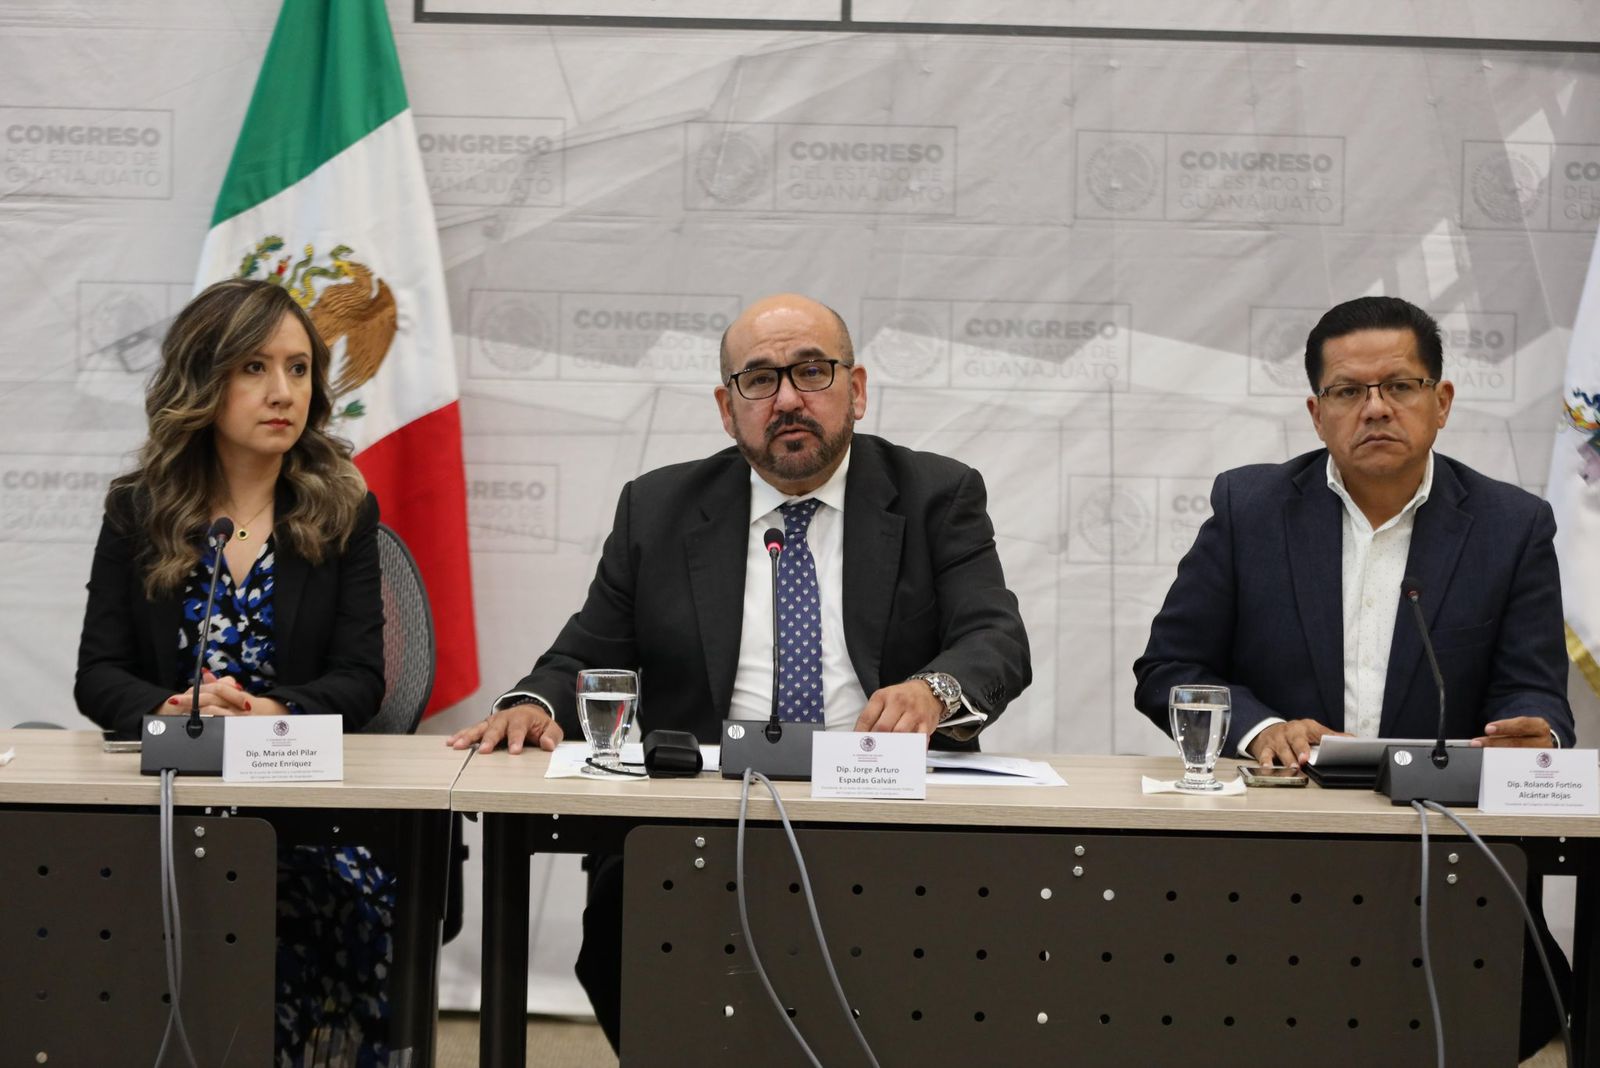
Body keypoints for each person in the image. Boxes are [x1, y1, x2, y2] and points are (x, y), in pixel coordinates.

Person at [449, 292, 1032, 1050]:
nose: (788, 398)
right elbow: (584, 653)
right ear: (727, 410)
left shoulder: (934, 495)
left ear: (855, 389)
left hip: (885, 808)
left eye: (811, 372)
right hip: (699, 816)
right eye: (759, 380)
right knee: (631, 916)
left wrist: (932, 690)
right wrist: (532, 702)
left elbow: (994, 637)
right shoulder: (658, 508)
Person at [1132, 294, 1573, 1057]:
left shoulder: (1512, 526)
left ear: (1441, 403)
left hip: (1449, 872)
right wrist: (1264, 727)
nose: (1374, 409)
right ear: (1316, 411)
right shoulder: (1250, 508)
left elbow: (1534, 694)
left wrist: (1537, 734)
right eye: (1347, 391)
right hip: (1272, 875)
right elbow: (1170, 669)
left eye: (1399, 386)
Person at [73, 277, 390, 1066]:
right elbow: (99, 675)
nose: (282, 392)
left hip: (302, 807)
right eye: (253, 367)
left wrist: (268, 710)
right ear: (202, 379)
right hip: (168, 803)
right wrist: (177, 706)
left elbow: (362, 679)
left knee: (324, 892)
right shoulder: (137, 510)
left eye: (298, 368)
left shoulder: (342, 506)